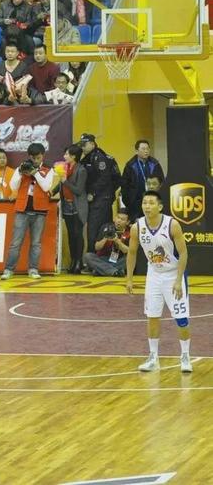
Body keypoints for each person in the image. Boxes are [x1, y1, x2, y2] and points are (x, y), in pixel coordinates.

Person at [126, 191, 192, 373]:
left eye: (151, 203)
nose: (147, 206)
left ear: (160, 206)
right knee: (152, 316)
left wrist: (178, 280)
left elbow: (184, 254)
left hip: (173, 273)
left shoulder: (172, 225)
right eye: (144, 203)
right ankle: (153, 357)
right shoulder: (137, 227)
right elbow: (132, 253)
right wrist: (129, 278)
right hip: (154, 274)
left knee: (181, 318)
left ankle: (185, 355)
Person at [1, 143, 55, 280]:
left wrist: (35, 173)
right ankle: (8, 269)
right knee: (16, 242)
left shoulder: (48, 169)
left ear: (43, 155)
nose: (35, 160)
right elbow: (13, 186)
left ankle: (33, 269)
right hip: (22, 209)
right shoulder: (22, 167)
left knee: (36, 243)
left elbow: (46, 187)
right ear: (29, 156)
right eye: (33, 158)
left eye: (38, 158)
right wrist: (20, 173)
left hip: (40, 209)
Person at [80, 134, 122, 255]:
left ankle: (93, 257)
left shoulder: (99, 158)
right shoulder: (89, 157)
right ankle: (100, 256)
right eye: (81, 145)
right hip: (101, 199)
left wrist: (93, 193)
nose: (82, 148)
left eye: (84, 145)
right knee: (102, 229)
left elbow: (105, 178)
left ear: (92, 144)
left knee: (95, 229)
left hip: (100, 200)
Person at [54, 145, 88, 274]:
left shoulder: (81, 170)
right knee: (70, 234)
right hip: (66, 205)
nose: (64, 157)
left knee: (78, 234)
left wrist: (65, 181)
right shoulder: (64, 168)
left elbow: (78, 190)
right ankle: (73, 261)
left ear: (74, 156)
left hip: (78, 205)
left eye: (67, 154)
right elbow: (60, 184)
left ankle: (79, 261)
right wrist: (52, 192)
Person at [121, 140, 165, 223]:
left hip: (153, 201)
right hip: (135, 203)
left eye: (147, 149)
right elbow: (124, 186)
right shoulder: (130, 165)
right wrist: (129, 202)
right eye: (143, 149)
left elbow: (161, 182)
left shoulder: (155, 164)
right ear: (136, 151)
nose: (146, 151)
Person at [83, 210, 131, 277]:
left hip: (118, 260)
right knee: (88, 256)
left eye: (122, 219)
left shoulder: (130, 232)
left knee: (130, 258)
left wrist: (117, 241)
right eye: (118, 218)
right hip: (103, 259)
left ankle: (101, 270)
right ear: (114, 219)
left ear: (127, 222)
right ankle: (115, 271)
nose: (119, 221)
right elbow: (97, 247)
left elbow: (128, 251)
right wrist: (105, 238)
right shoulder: (105, 227)